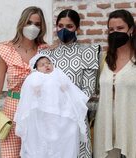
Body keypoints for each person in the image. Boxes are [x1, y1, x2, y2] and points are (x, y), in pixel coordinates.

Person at [94, 9, 136, 158]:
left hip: (134, 127)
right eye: (111, 29)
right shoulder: (104, 59)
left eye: (120, 28)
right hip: (106, 129)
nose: (115, 33)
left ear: (131, 30)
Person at [40, 9, 100, 158]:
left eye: (69, 26)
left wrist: (68, 110)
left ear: (77, 28)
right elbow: (40, 87)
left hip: (75, 118)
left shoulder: (88, 52)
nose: (63, 30)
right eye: (60, 26)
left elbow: (88, 89)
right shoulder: (47, 55)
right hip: (51, 120)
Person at [14, 53, 89, 158]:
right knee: (42, 137)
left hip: (59, 113)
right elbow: (30, 96)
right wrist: (36, 89)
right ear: (36, 68)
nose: (47, 66)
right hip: (41, 114)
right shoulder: (35, 77)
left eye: (48, 63)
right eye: (42, 65)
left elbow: (68, 89)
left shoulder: (58, 74)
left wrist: (64, 86)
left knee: (61, 136)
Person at [0, 6, 48, 158]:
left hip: (37, 111)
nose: (32, 27)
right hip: (12, 111)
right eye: (29, 22)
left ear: (42, 27)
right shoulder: (7, 50)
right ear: (22, 24)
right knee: (10, 155)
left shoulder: (45, 51)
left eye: (37, 24)